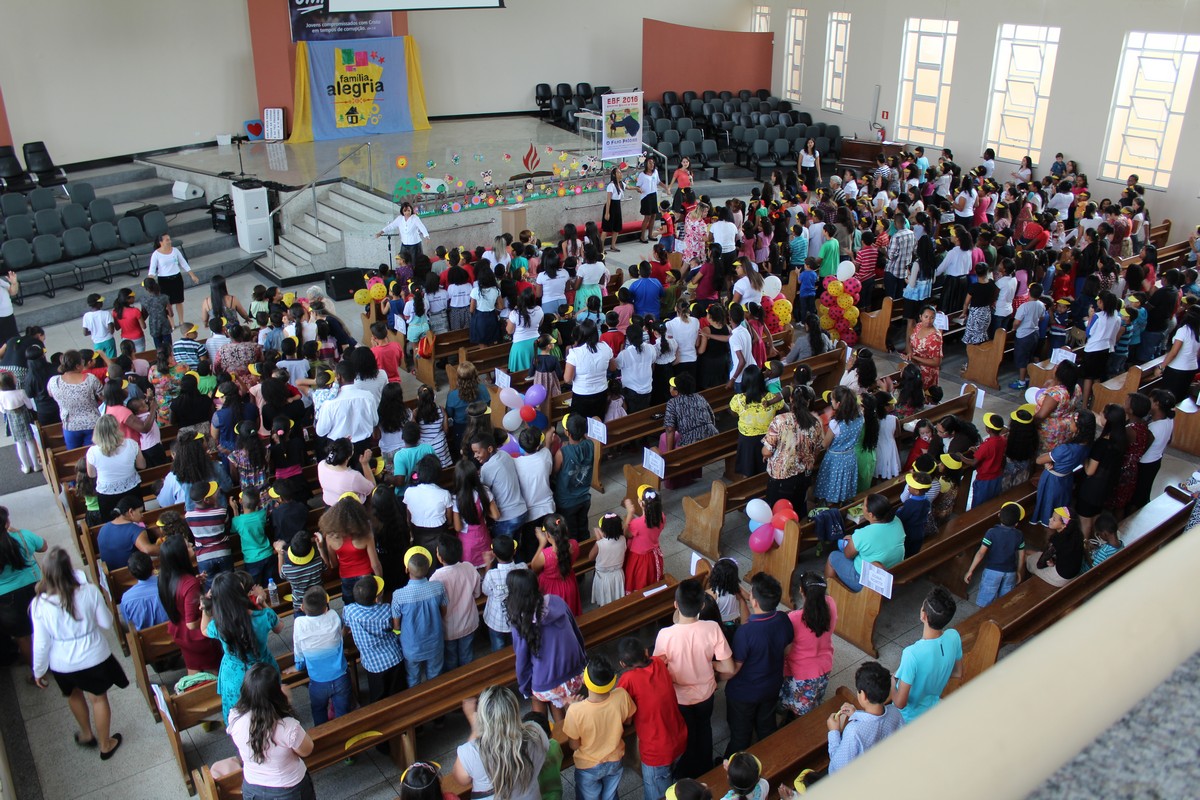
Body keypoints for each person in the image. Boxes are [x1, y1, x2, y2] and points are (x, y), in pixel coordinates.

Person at [31, 547, 129, 758]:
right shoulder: (89, 591)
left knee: (74, 695)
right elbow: (106, 622)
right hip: (93, 655)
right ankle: (105, 744)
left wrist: (38, 670)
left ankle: (86, 734)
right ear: (69, 569)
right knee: (98, 699)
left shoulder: (39, 603)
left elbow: (41, 643)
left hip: (62, 662)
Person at [653, 579, 734, 778]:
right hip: (706, 694)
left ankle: (686, 774)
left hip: (680, 697)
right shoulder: (712, 628)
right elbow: (729, 668)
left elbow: (658, 668)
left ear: (675, 604)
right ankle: (705, 767)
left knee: (686, 733)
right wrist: (710, 664)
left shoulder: (665, 635)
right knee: (704, 728)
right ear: (702, 605)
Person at [723, 573, 794, 755]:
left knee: (740, 735)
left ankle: (731, 765)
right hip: (771, 686)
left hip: (744, 693)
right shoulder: (783, 619)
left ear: (754, 601)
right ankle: (770, 759)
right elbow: (787, 651)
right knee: (766, 727)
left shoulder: (745, 632)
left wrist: (715, 671)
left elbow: (734, 669)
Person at [507, 568, 587, 726]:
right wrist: (583, 660)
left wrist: (525, 689)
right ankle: (567, 724)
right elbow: (576, 632)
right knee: (553, 694)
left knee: (538, 696)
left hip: (548, 685)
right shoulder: (557, 601)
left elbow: (522, 663)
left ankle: (554, 730)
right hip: (577, 675)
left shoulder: (520, 622)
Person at [226, 663, 316, 800]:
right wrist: (286, 707)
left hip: (252, 786)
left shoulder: (234, 716)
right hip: (288, 789)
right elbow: (307, 750)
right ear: (276, 694)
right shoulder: (287, 726)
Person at [202, 570, 281, 724]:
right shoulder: (264, 616)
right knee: (272, 710)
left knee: (240, 717)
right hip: (264, 671)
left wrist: (206, 607)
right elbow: (279, 627)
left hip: (234, 677)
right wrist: (263, 603)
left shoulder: (220, 625)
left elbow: (204, 630)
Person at [616, 637, 687, 800]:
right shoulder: (658, 663)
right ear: (646, 652)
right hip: (679, 738)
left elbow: (622, 711)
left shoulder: (628, 679)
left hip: (656, 751)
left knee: (657, 795)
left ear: (622, 664)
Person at [451, 684, 549, 800]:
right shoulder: (536, 733)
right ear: (514, 711)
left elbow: (461, 779)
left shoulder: (470, 752)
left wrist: (475, 729)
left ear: (482, 717)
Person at [561, 654, 637, 800]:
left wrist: (571, 708)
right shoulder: (622, 695)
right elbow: (628, 721)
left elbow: (574, 745)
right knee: (611, 795)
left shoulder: (575, 711)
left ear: (585, 680)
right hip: (615, 759)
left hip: (588, 766)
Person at [892, 586, 963, 723]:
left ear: (923, 615)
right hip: (933, 709)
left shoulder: (911, 654)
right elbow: (958, 673)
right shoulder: (954, 636)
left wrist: (891, 681)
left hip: (907, 718)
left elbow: (900, 703)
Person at [824, 661, 905, 773]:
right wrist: (856, 714)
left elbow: (837, 766)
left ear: (864, 695)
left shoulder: (854, 731)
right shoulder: (895, 713)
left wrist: (834, 732)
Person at [290, 586, 351, 726]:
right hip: (341, 677)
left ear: (302, 608)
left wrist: (298, 666)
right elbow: (340, 635)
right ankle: (343, 733)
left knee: (318, 712)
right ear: (326, 607)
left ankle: (323, 735)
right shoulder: (333, 616)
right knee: (343, 715)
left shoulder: (299, 623)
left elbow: (298, 650)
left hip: (318, 681)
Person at [780, 569, 836, 718]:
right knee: (813, 702)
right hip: (824, 667)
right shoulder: (831, 603)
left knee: (796, 710)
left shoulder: (794, 618)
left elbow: (786, 648)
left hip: (801, 673)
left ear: (801, 591)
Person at [826, 493, 906, 593]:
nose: (862, 507)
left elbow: (847, 555)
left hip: (864, 581)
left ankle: (829, 591)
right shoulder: (897, 521)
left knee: (833, 556)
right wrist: (855, 540)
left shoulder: (862, 534)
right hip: (893, 571)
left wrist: (853, 540)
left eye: (863, 505)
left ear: (871, 515)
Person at [390, 546, 446, 686]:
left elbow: (396, 625)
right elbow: (443, 612)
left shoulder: (398, 595)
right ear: (428, 568)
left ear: (407, 569)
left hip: (411, 646)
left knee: (413, 677)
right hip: (435, 642)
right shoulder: (438, 587)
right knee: (435, 675)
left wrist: (398, 634)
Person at [763, 386, 823, 516]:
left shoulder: (780, 420)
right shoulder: (816, 423)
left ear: (791, 399)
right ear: (808, 402)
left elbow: (767, 451)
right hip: (803, 475)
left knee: (777, 511)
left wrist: (766, 454)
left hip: (782, 476)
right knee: (797, 509)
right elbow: (817, 449)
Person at [343, 576, 404, 702]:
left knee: (378, 697)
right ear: (376, 598)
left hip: (373, 665)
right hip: (394, 657)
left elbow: (346, 627)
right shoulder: (386, 609)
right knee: (398, 693)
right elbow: (393, 627)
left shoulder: (349, 611)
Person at [0, 508, 46, 665]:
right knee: (46, 626)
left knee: (23, 637)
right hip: (35, 586)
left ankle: (37, 673)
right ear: (6, 523)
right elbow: (43, 546)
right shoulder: (22, 536)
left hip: (6, 597)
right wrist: (16, 531)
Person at [1033, 411, 1095, 525]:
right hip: (1066, 478)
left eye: (1071, 421)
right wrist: (1049, 462)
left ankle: (1049, 526)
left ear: (1078, 427)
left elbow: (1039, 460)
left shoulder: (1066, 449)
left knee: (1049, 506)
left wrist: (1047, 461)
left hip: (1053, 480)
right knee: (1060, 504)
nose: (1069, 423)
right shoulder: (1088, 444)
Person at [432, 534, 481, 670]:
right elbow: (477, 594)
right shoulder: (469, 567)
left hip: (448, 629)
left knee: (451, 658)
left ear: (440, 557)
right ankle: (468, 675)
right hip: (469, 622)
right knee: (467, 655)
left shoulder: (436, 578)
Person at [964, 501, 1027, 607]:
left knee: (985, 600)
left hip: (992, 571)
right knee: (1006, 601)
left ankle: (984, 615)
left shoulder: (991, 533)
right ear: (1017, 523)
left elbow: (981, 553)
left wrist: (970, 570)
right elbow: (1022, 556)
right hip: (1010, 572)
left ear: (999, 515)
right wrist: (1019, 571)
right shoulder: (1019, 535)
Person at [86, 415, 145, 521]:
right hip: (131, 489)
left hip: (107, 494)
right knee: (137, 521)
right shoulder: (131, 444)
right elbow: (142, 465)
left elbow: (91, 474)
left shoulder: (92, 452)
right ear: (117, 428)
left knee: (112, 523)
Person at [814, 386, 863, 505]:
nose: (831, 402)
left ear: (839, 404)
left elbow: (825, 444)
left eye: (832, 399)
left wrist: (820, 424)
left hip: (835, 460)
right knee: (844, 485)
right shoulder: (860, 417)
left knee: (832, 484)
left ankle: (831, 506)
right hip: (850, 457)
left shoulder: (836, 423)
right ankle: (842, 504)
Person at [472, 434, 528, 539]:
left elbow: (486, 494)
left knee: (503, 548)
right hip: (521, 511)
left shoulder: (487, 468)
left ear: (489, 449)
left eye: (477, 452)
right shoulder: (504, 454)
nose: (475, 456)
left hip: (507, 517)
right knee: (516, 546)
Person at [48, 351, 103, 449]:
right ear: (77, 366)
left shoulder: (54, 381)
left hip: (70, 425)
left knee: (74, 454)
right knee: (92, 454)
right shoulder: (90, 379)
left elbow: (50, 394)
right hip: (92, 424)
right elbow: (103, 396)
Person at [1132, 389, 1176, 510]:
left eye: (1150, 401)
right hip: (1156, 460)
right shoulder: (1169, 419)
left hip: (1144, 464)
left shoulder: (1154, 428)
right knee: (1145, 489)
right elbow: (1169, 440)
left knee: (1137, 494)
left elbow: (1141, 449)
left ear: (1156, 404)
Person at [554, 415, 595, 540]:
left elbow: (554, 471)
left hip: (567, 501)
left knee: (571, 533)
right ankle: (586, 547)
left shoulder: (562, 453)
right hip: (584, 497)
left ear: (567, 433)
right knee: (583, 528)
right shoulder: (590, 445)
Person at [564, 321, 616, 421]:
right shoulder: (605, 347)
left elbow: (567, 379)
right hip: (601, 392)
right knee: (598, 422)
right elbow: (613, 367)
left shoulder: (575, 353)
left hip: (581, 394)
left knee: (580, 424)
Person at [1027, 506, 1085, 587]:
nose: (1050, 519)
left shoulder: (1057, 541)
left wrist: (1049, 563)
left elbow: (1040, 564)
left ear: (1064, 525)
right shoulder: (1078, 534)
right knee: (1033, 553)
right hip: (1073, 572)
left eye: (1054, 519)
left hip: (1060, 578)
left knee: (1028, 559)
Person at [148, 233, 199, 323]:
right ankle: (171, 323)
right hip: (164, 281)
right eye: (167, 240)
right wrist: (149, 283)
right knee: (168, 303)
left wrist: (192, 275)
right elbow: (152, 271)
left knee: (179, 301)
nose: (169, 241)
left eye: (169, 239)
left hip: (177, 278)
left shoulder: (175, 250)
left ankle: (181, 321)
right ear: (161, 242)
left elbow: (184, 263)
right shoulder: (156, 254)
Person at [623, 486, 665, 593]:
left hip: (639, 559)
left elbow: (626, 533)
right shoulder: (662, 517)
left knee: (639, 581)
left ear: (641, 503)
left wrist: (630, 513)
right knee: (650, 579)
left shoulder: (637, 524)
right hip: (653, 555)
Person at [97, 495, 157, 569]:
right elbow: (147, 550)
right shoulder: (135, 530)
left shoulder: (103, 528)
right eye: (140, 512)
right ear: (131, 512)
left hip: (109, 572)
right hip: (130, 572)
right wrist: (165, 548)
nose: (142, 515)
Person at [1156, 304, 1200, 404]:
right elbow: (1198, 353)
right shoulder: (1198, 331)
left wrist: (1161, 367)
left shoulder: (1184, 330)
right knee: (1180, 397)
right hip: (1191, 367)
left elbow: (1174, 352)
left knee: (1168, 397)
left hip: (1177, 369)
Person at [1009, 284, 1047, 389]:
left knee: (1022, 359)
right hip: (1035, 333)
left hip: (1023, 335)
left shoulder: (1024, 307)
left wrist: (1013, 328)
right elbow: (1042, 318)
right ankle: (1027, 378)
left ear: (1029, 292)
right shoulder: (1041, 305)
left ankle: (1021, 382)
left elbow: (1017, 322)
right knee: (1029, 356)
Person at [906, 305, 943, 391]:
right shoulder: (919, 326)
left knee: (922, 394)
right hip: (915, 367)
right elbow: (911, 340)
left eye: (932, 318)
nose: (929, 320)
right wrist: (910, 352)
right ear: (920, 317)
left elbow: (937, 362)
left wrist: (914, 357)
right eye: (926, 317)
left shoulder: (935, 337)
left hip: (927, 373)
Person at [601, 166, 627, 253]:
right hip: (611, 206)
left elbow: (628, 187)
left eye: (620, 172)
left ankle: (613, 245)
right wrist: (607, 212)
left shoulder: (621, 184)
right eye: (618, 172)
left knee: (616, 228)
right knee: (606, 229)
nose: (620, 174)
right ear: (614, 174)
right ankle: (601, 248)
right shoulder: (611, 185)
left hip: (617, 206)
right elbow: (608, 200)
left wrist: (637, 188)